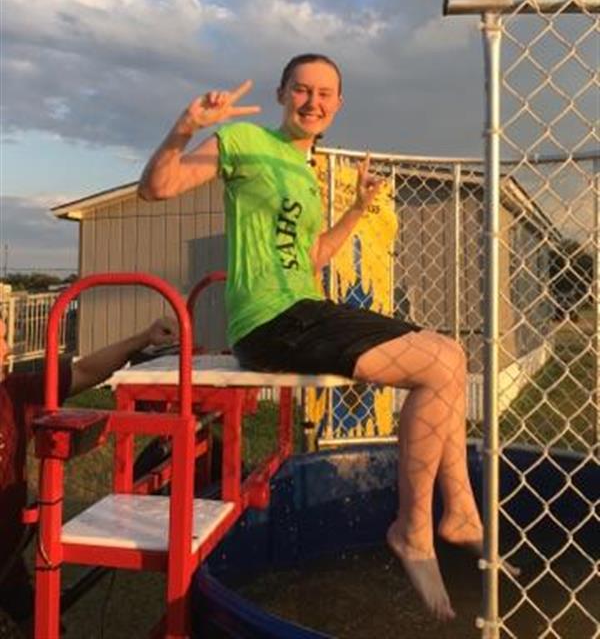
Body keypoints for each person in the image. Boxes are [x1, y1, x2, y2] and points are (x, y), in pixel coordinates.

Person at [139, 53, 484, 621]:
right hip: (269, 322)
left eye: (325, 94)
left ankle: (459, 514)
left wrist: (355, 211)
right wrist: (186, 127)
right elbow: (158, 187)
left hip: (306, 306)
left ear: (338, 105)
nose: (313, 102)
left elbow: (314, 257)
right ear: (281, 94)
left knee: (450, 353)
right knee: (438, 365)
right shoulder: (246, 141)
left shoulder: (305, 172)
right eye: (302, 90)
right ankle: (414, 530)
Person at [0, 315, 178, 633]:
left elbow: (83, 372)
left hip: (7, 563)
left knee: (46, 627)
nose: (7, 349)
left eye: (5, 338)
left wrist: (142, 338)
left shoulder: (14, 394)